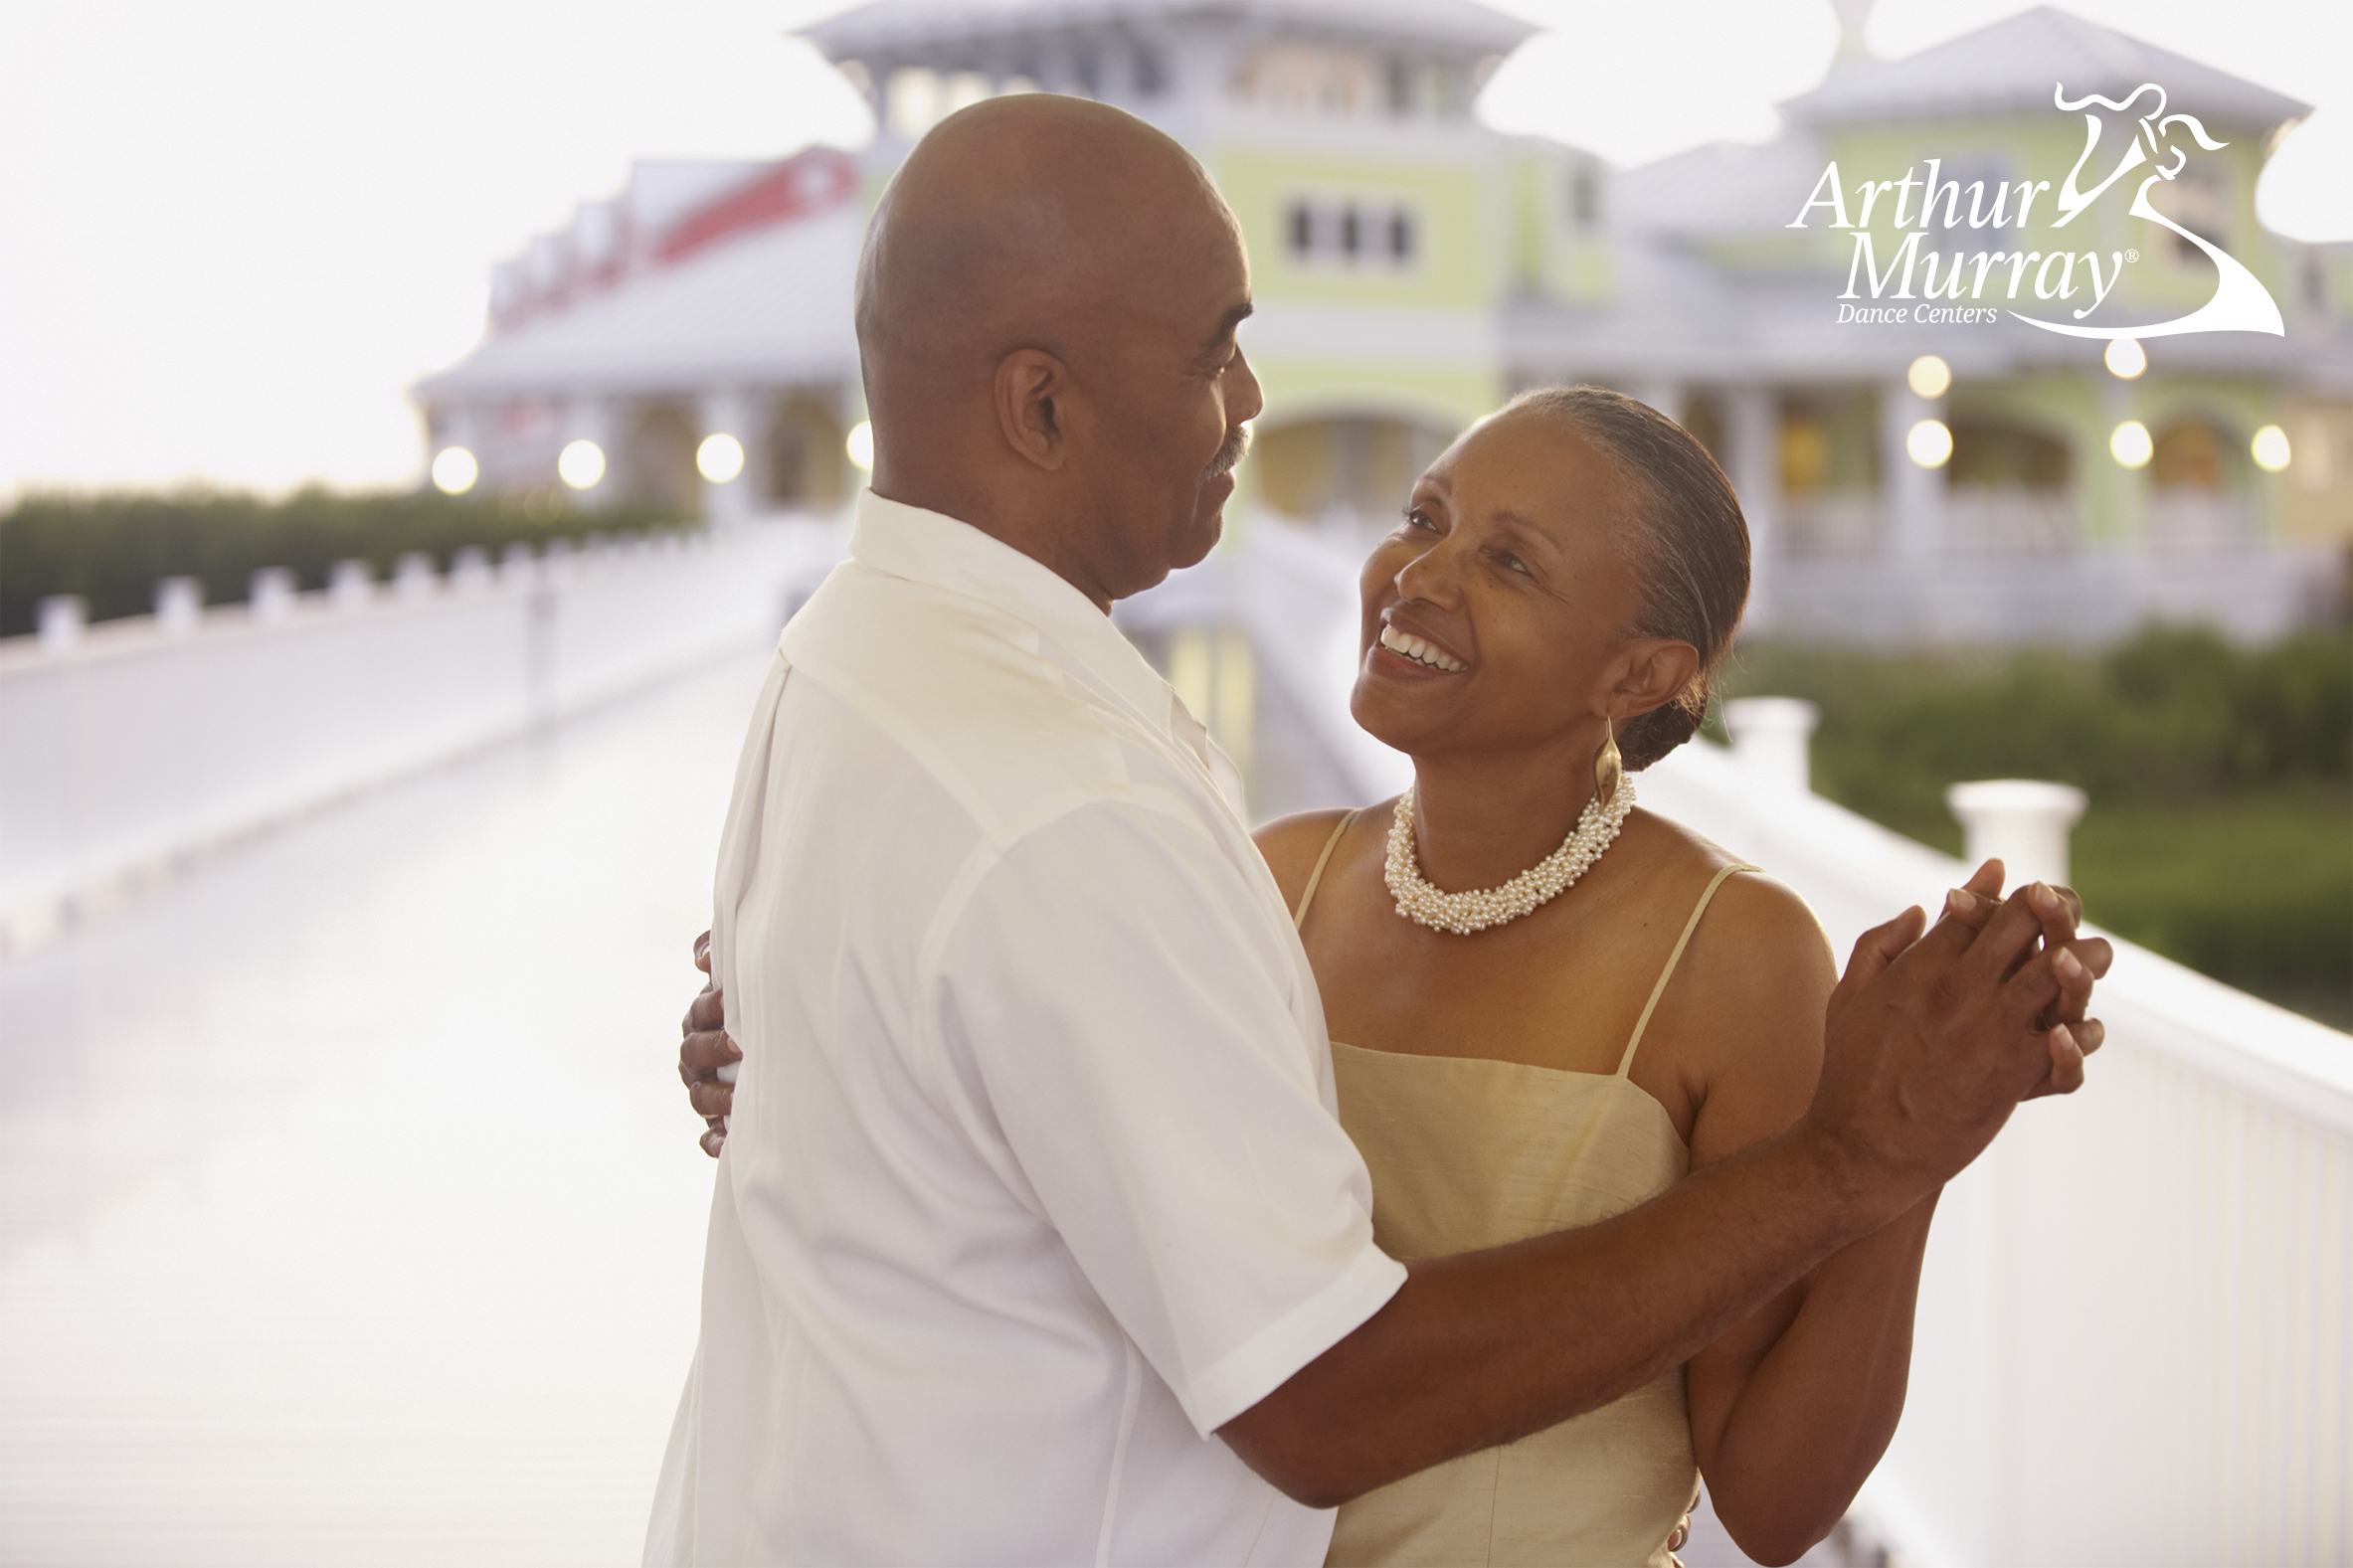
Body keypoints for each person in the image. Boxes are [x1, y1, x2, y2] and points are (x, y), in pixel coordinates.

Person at [651, 92, 2105, 1568]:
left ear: (1639, 677)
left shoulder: (1729, 952)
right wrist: (823, 1062)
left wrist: (1895, 1162)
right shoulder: (1228, 863)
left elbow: (1774, 1496)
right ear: (1040, 408)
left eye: (1512, 562)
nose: (1416, 570)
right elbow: (1316, 1393)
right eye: (1425, 512)